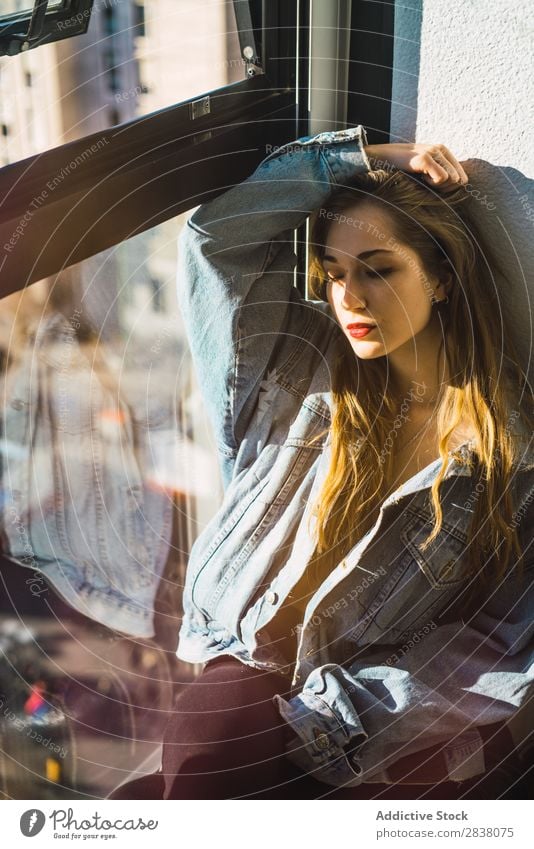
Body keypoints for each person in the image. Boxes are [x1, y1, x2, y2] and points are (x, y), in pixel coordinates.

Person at [108, 126, 533, 800]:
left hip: (347, 723)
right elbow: (212, 240)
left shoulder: (506, 455)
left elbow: (505, 645)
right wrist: (368, 157)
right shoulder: (294, 378)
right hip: (236, 666)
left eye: (378, 268)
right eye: (334, 274)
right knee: (207, 737)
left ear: (443, 279)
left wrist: (333, 716)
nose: (350, 298)